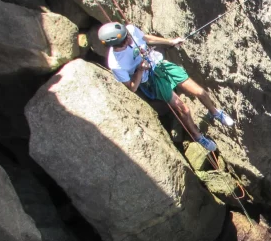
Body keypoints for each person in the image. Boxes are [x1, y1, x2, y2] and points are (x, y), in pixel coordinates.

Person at [98, 22, 234, 152]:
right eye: (126, 38)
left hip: (161, 64)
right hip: (151, 79)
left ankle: (215, 113)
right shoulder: (116, 64)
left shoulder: (131, 30)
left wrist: (170, 41)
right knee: (184, 109)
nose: (129, 38)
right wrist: (140, 70)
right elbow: (132, 87)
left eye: (127, 34)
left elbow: (146, 38)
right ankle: (198, 136)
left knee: (200, 92)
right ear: (117, 44)